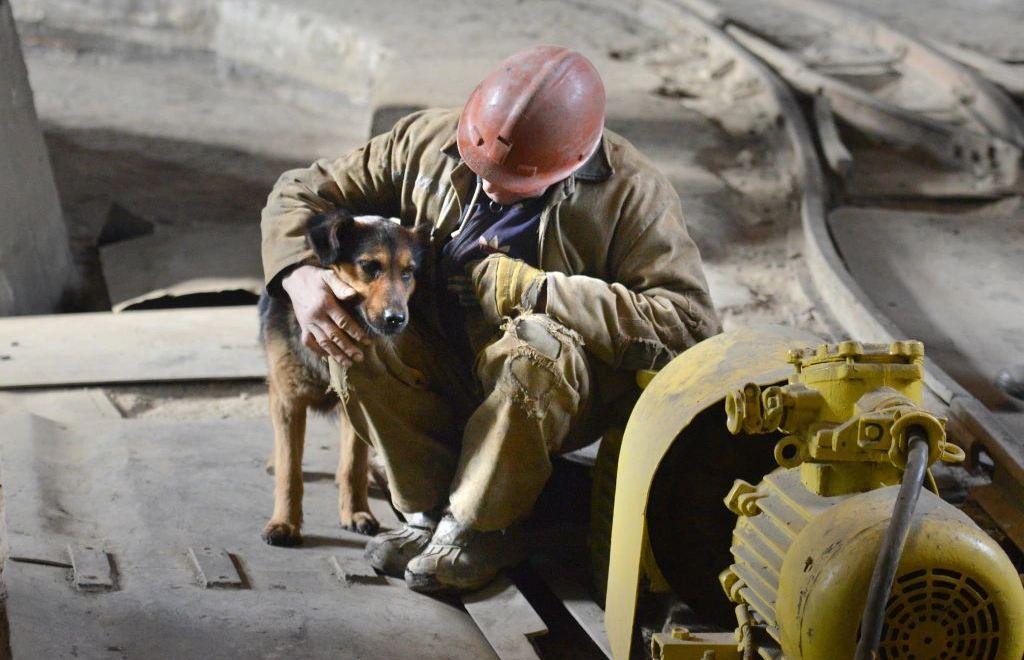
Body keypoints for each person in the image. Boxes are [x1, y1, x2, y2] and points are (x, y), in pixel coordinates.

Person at [259, 44, 722, 593]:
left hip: (547, 390)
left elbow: (689, 325)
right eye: (479, 169)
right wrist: (297, 274)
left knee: (533, 347)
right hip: (444, 365)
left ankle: (482, 526)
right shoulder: (429, 142)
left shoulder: (631, 194)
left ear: (571, 163)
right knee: (366, 330)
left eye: (513, 181)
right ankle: (427, 515)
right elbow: (300, 189)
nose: (488, 187)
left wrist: (540, 291)